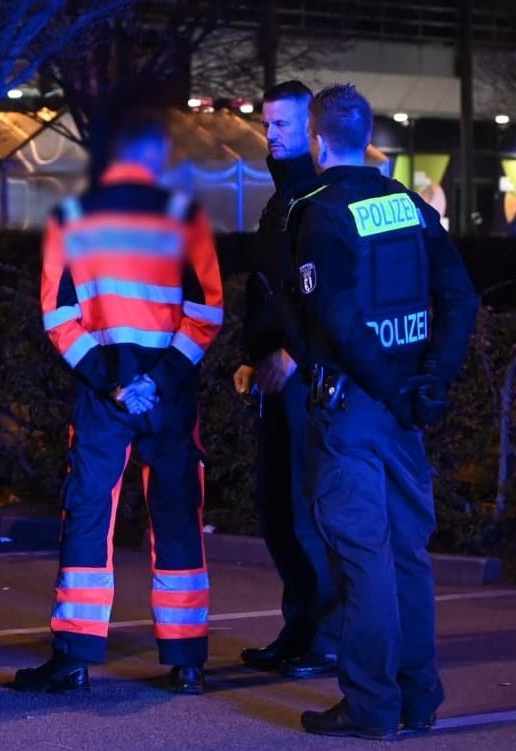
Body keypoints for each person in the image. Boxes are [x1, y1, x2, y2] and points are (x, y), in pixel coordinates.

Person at [13, 109, 224, 696]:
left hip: (105, 396)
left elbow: (58, 315)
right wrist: (159, 380)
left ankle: (75, 656)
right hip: (169, 395)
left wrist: (112, 379)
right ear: (157, 159)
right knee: (177, 514)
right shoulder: (185, 218)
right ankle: (187, 663)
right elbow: (206, 311)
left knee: (88, 515)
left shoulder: (73, 217)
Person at [290, 85, 478, 740]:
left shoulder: (319, 214)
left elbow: (336, 317)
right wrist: (433, 378)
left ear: (317, 142)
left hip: (357, 409)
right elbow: (461, 297)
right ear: (368, 137)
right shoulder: (410, 207)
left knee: (363, 555)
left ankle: (370, 704)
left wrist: (396, 389)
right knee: (408, 554)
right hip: (405, 410)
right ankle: (418, 697)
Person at [233, 80, 343, 681]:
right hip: (276, 375)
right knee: (277, 510)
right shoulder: (282, 201)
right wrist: (255, 354)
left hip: (302, 377)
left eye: (282, 125)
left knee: (304, 511)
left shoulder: (316, 198)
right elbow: (271, 291)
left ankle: (325, 636)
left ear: (312, 131)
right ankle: (300, 627)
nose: (270, 134)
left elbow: (327, 296)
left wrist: (294, 359)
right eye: (266, 122)